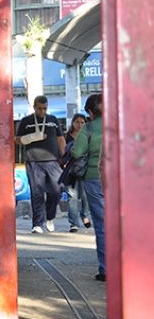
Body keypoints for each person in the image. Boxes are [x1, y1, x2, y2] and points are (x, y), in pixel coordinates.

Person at [15, 95, 66, 234]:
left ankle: (50, 217)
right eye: (39, 109)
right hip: (33, 161)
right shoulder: (26, 121)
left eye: (45, 108)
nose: (42, 111)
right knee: (37, 193)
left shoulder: (53, 120)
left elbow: (60, 139)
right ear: (34, 107)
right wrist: (30, 138)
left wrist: (65, 157)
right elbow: (17, 140)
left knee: (57, 190)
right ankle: (37, 223)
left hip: (53, 161)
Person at [70, 94, 105, 281]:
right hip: (120, 179)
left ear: (91, 112)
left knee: (102, 224)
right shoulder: (119, 124)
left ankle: (106, 269)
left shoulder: (89, 128)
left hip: (95, 178)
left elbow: (76, 152)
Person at [62, 112, 91, 232]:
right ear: (72, 123)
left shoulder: (88, 136)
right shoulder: (66, 137)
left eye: (82, 122)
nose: (79, 125)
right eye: (77, 122)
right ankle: (73, 223)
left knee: (85, 196)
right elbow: (62, 153)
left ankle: (85, 216)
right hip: (70, 171)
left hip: (86, 170)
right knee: (72, 197)